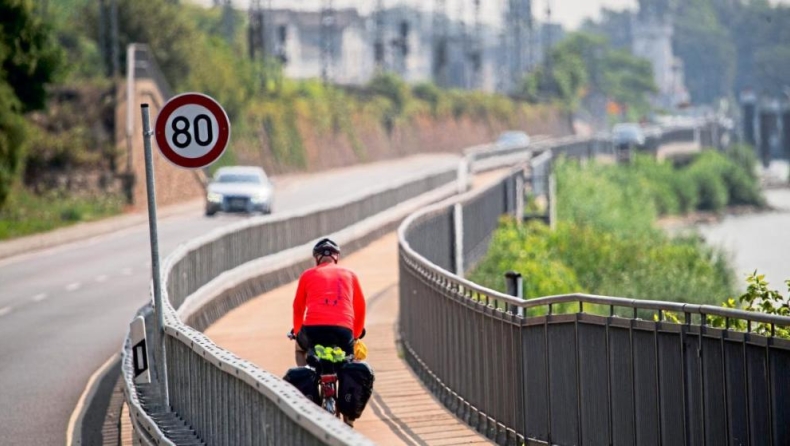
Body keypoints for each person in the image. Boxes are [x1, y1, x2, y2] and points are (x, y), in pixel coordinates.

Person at [292, 238, 366, 367]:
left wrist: (297, 332)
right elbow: (360, 308)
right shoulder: (350, 275)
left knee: (299, 349)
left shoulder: (307, 275)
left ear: (316, 258)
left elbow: (298, 307)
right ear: (336, 257)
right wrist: (356, 335)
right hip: (343, 331)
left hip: (313, 331)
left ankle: (305, 377)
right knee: (350, 362)